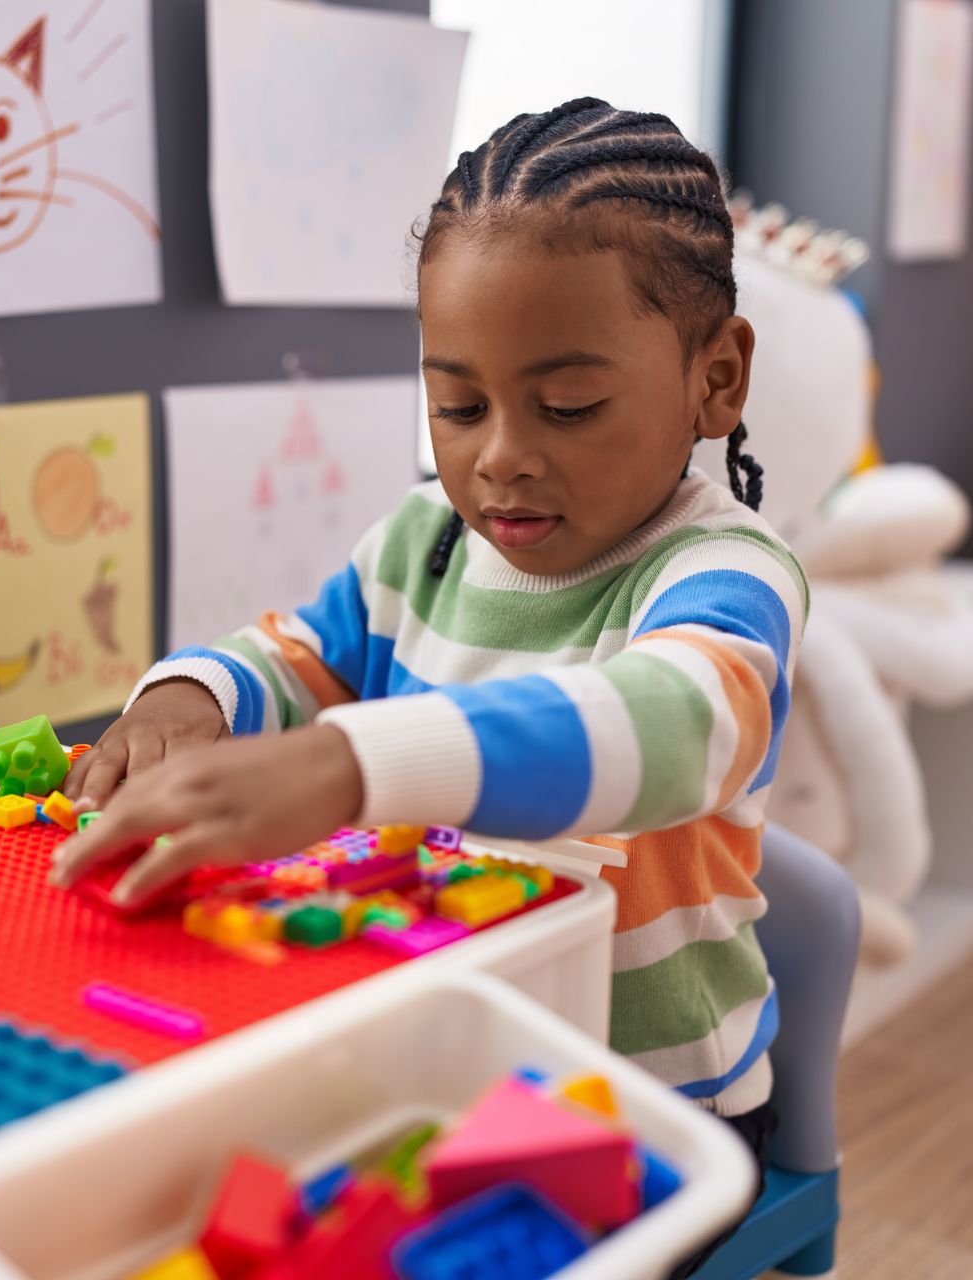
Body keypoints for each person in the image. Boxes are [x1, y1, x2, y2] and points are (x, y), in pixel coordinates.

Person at [53, 99, 801, 1274]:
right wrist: (186, 699)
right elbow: (294, 657)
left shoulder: (724, 573)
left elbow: (676, 727)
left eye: (568, 406)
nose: (498, 452)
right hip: (443, 1054)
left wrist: (354, 762)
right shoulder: (426, 541)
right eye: (456, 405)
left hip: (647, 1103)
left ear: (716, 378)